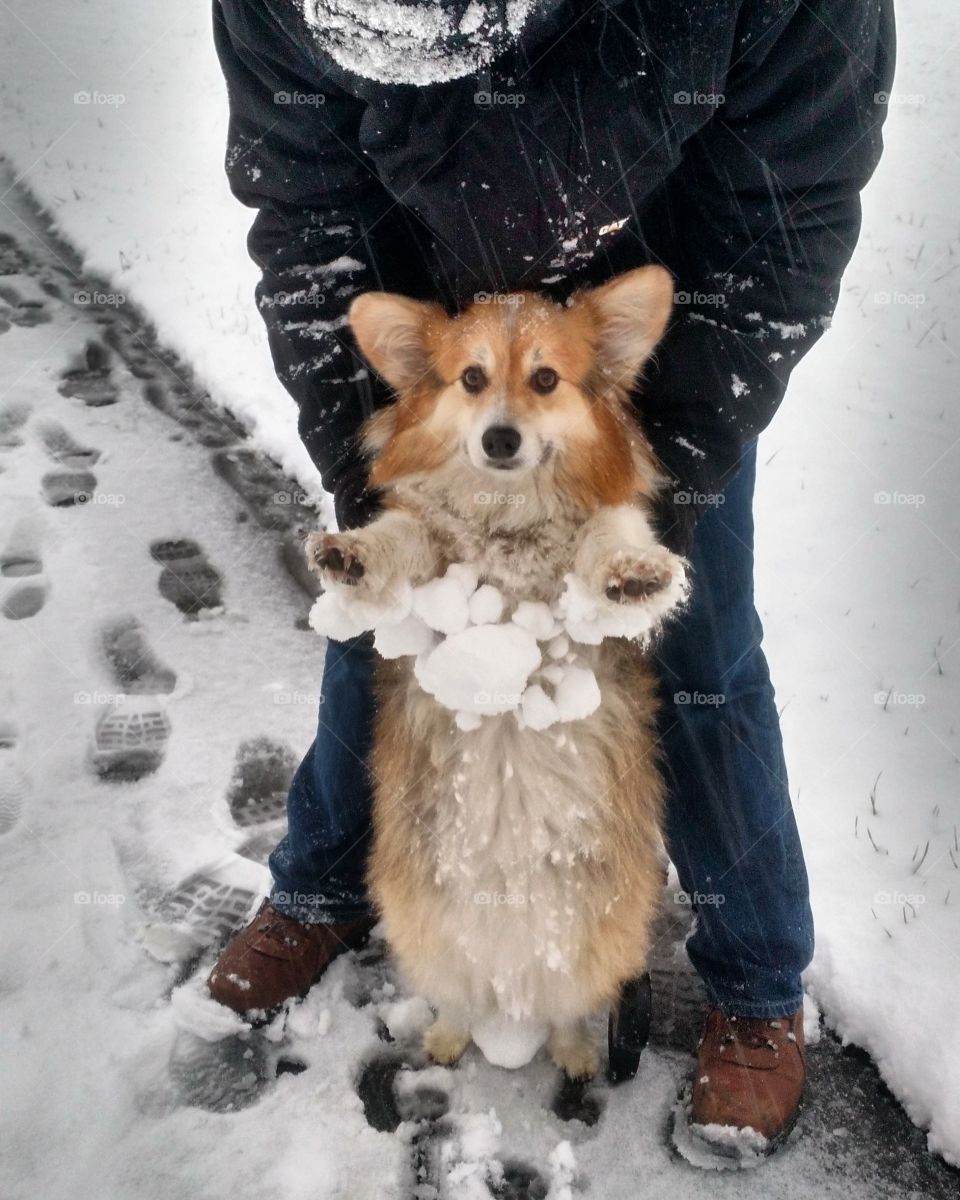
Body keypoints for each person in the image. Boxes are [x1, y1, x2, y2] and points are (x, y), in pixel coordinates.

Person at [208, 0, 893, 1148]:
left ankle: (759, 987)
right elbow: (307, 208)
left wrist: (630, 496)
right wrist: (377, 468)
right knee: (388, 621)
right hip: (438, 335)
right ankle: (322, 884)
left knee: (702, 649)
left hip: (651, 327)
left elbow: (783, 223)